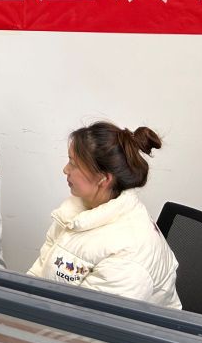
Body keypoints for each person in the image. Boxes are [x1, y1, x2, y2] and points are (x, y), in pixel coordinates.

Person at [27, 121, 181, 309]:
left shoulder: (129, 256)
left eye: (73, 164)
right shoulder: (74, 212)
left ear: (104, 179)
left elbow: (92, 321)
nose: (65, 169)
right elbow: (39, 273)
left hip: (116, 328)